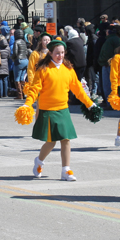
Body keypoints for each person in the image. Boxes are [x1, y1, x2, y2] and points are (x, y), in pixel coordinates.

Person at [24, 40, 97, 181]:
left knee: (66, 139)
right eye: (57, 53)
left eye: (62, 53)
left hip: (63, 109)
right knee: (51, 142)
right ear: (50, 53)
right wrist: (28, 104)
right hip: (48, 110)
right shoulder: (43, 69)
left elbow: (78, 89)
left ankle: (66, 170)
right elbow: (34, 89)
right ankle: (39, 161)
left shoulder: (68, 70)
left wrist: (90, 104)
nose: (60, 55)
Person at [98, 25, 120, 106]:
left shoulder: (110, 40)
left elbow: (107, 53)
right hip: (111, 64)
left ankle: (110, 103)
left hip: (107, 65)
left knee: (108, 85)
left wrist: (101, 61)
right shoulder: (115, 39)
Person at [11, 29, 28, 99]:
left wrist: (11, 57)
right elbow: (26, 52)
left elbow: (15, 53)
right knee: (22, 78)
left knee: (17, 78)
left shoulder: (16, 42)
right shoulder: (24, 42)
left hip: (19, 61)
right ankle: (24, 93)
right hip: (26, 61)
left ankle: (19, 95)